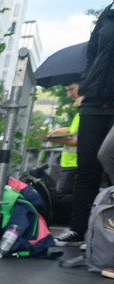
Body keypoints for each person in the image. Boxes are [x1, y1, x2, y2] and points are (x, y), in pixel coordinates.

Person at [59, 4, 114, 245]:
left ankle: (108, 234)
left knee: (110, 162)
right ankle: (77, 229)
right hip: (93, 100)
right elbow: (91, 53)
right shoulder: (108, 13)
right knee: (86, 168)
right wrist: (87, 85)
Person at [46, 83, 81, 198]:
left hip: (74, 165)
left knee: (64, 199)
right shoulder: (79, 114)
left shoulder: (85, 114)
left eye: (72, 90)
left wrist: (51, 139)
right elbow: (74, 130)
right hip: (68, 163)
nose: (69, 94)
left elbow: (76, 140)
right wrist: (59, 130)